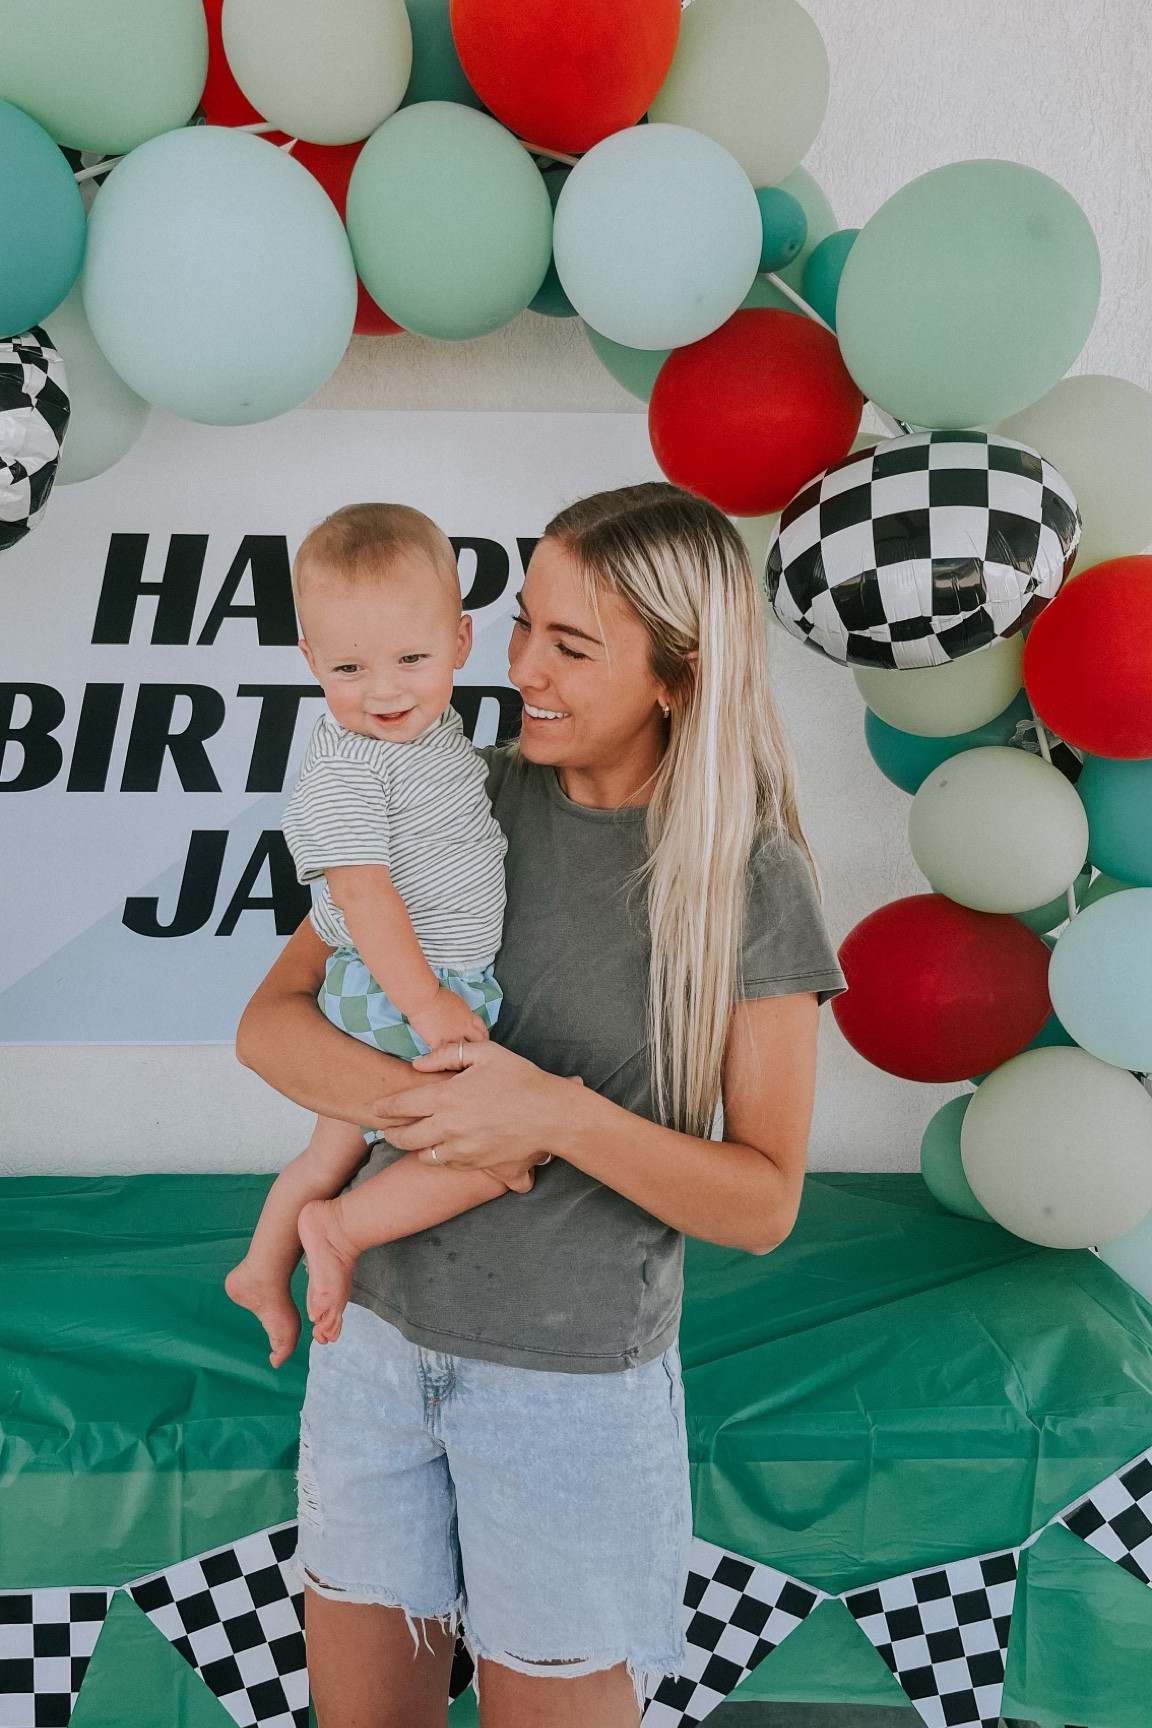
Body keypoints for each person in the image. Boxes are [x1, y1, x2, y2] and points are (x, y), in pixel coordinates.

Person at [237, 482, 848, 1728]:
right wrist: (436, 1105)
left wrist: (553, 1116)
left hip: (572, 1399)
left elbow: (764, 1204)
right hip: (376, 1354)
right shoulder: (454, 794)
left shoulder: (748, 877)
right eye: (523, 626)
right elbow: (273, 1025)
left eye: (572, 646)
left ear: (679, 675)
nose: (523, 669)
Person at [227, 503, 535, 1370]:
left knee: (330, 1146)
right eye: (350, 667)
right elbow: (363, 900)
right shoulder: (347, 769)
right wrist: (429, 1004)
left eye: (412, 659)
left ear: (463, 639)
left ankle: (261, 1266)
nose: (386, 690)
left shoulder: (429, 737)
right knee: (490, 1160)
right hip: (405, 987)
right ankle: (339, 1226)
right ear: (310, 663)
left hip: (412, 982)